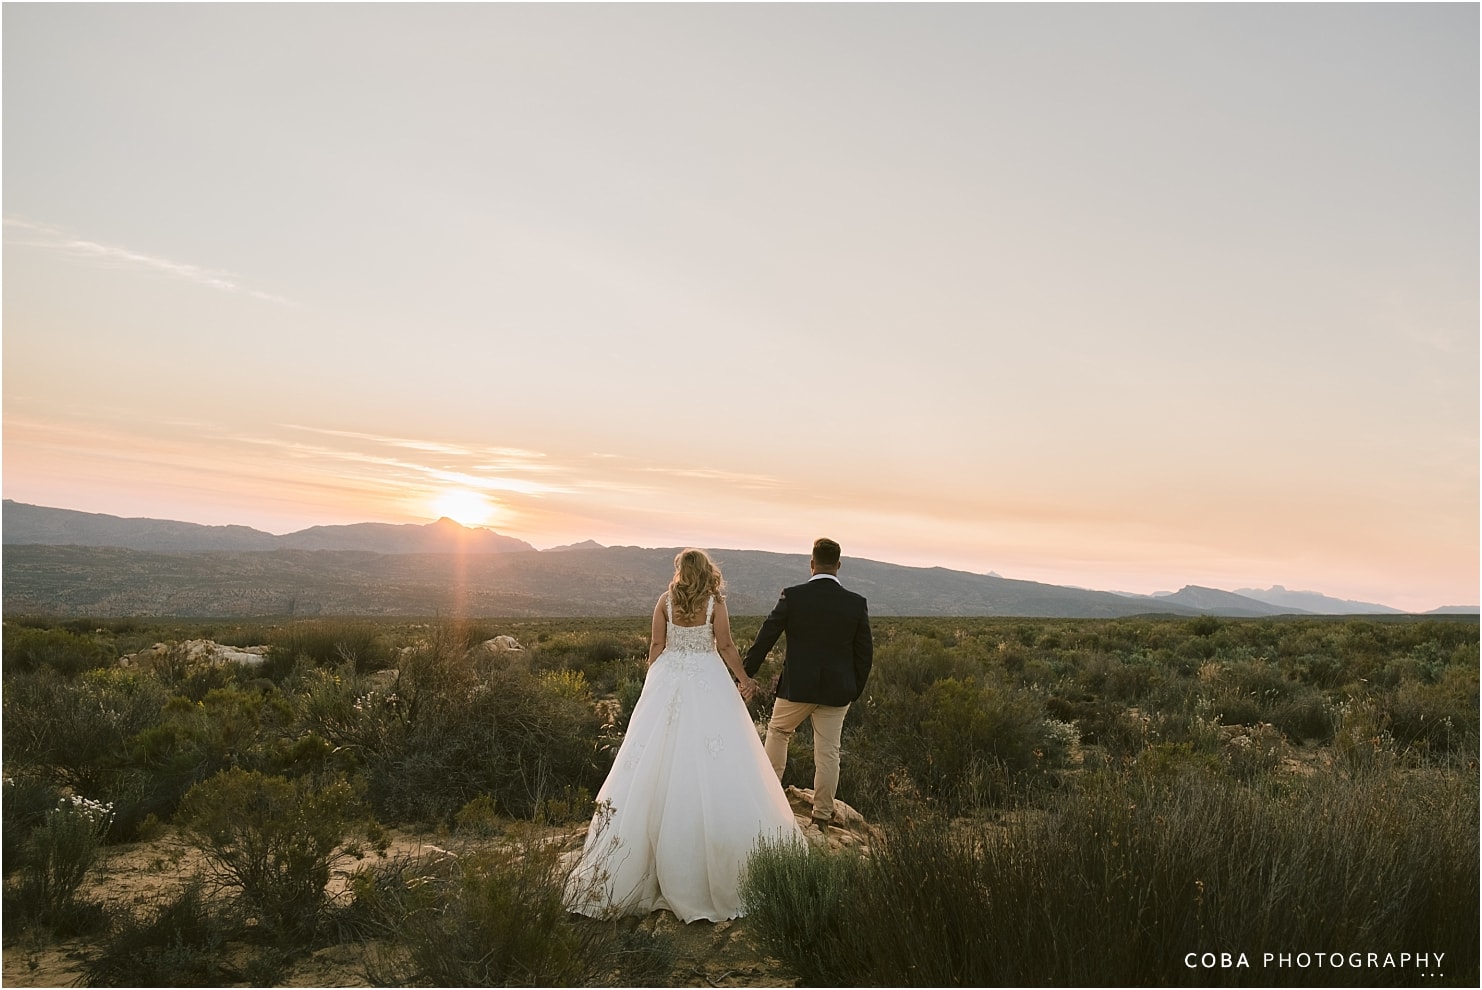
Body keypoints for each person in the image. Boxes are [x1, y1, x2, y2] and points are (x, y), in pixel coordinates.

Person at [564, 548, 801, 923]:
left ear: (680, 571)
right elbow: (724, 646)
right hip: (707, 680)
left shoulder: (664, 601)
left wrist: (652, 683)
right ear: (707, 571)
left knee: (653, 760)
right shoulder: (715, 603)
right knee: (716, 760)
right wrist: (744, 680)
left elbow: (656, 647)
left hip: (669, 678)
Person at [743, 537, 872, 830]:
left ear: (812, 564)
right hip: (838, 692)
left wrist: (746, 672)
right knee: (828, 752)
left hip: (797, 687)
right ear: (838, 565)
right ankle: (822, 817)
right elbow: (865, 655)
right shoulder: (855, 604)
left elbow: (767, 635)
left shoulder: (793, 596)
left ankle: (767, 798)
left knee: (777, 732)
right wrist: (853, 690)